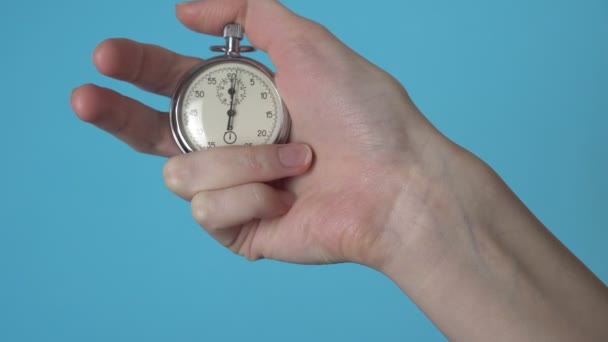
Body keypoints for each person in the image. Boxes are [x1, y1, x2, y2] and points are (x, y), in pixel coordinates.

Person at [70, 0, 608, 340]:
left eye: (239, 97)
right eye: (224, 98)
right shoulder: (231, 85)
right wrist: (403, 220)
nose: (232, 107)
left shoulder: (265, 85)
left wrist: (404, 198)